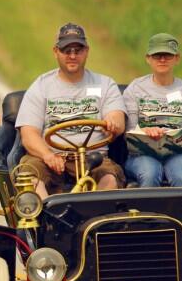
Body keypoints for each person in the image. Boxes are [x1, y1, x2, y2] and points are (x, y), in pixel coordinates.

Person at [16, 23, 126, 197]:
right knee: (29, 176)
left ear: (87, 51)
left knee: (109, 178)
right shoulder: (41, 86)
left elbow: (117, 117)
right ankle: (42, 221)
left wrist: (113, 123)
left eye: (78, 50)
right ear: (56, 52)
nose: (72, 56)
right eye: (67, 51)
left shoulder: (105, 84)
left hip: (93, 159)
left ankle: (98, 220)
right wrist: (47, 155)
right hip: (51, 158)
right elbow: (28, 134)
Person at [123, 33, 182, 187]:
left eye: (167, 55)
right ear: (148, 58)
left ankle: (180, 211)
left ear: (177, 58)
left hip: (180, 154)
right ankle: (145, 210)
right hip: (143, 153)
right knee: (150, 174)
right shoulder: (134, 89)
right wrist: (145, 133)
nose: (162, 60)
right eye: (157, 55)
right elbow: (128, 133)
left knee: (181, 176)